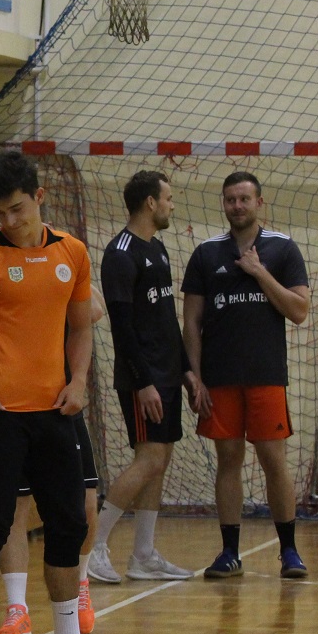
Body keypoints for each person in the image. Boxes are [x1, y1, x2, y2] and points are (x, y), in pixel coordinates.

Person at [0, 152, 133, 634]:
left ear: (39, 197)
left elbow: (81, 326)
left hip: (56, 413)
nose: (8, 221)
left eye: (16, 209)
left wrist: (78, 381)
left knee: (69, 524)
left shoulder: (72, 252)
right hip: (0, 418)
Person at [182, 171, 311, 579]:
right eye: (230, 199)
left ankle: (289, 551)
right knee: (229, 460)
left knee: (274, 460)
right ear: (224, 204)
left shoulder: (283, 248)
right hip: (219, 379)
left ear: (259, 202)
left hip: (266, 374)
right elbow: (191, 322)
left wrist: (259, 272)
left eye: (244, 198)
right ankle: (229, 552)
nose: (237, 206)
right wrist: (195, 377)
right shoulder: (206, 254)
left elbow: (299, 310)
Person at [85, 171, 198, 585]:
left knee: (160, 461)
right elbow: (122, 327)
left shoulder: (158, 248)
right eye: (168, 198)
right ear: (150, 202)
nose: (172, 205)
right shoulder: (120, 254)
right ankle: (93, 547)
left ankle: (144, 555)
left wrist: (186, 371)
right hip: (142, 378)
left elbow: (166, 319)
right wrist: (144, 382)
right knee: (148, 458)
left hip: (166, 373)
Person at [0, 286, 107, 634]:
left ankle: (81, 584)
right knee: (14, 507)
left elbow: (95, 311)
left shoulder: (61, 263)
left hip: (59, 400)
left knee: (85, 500)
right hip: (12, 402)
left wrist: (60, 274)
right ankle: (17, 609)